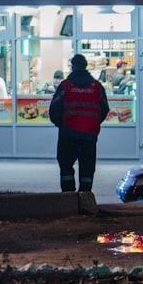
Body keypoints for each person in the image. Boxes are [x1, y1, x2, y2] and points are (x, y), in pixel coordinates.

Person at [49, 54, 109, 192]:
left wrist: (61, 124)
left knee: (66, 167)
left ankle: (69, 198)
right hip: (89, 136)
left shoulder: (66, 86)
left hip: (68, 135)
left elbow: (54, 109)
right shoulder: (97, 87)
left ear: (73, 67)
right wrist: (93, 123)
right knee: (87, 170)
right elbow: (104, 109)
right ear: (85, 66)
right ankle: (85, 199)